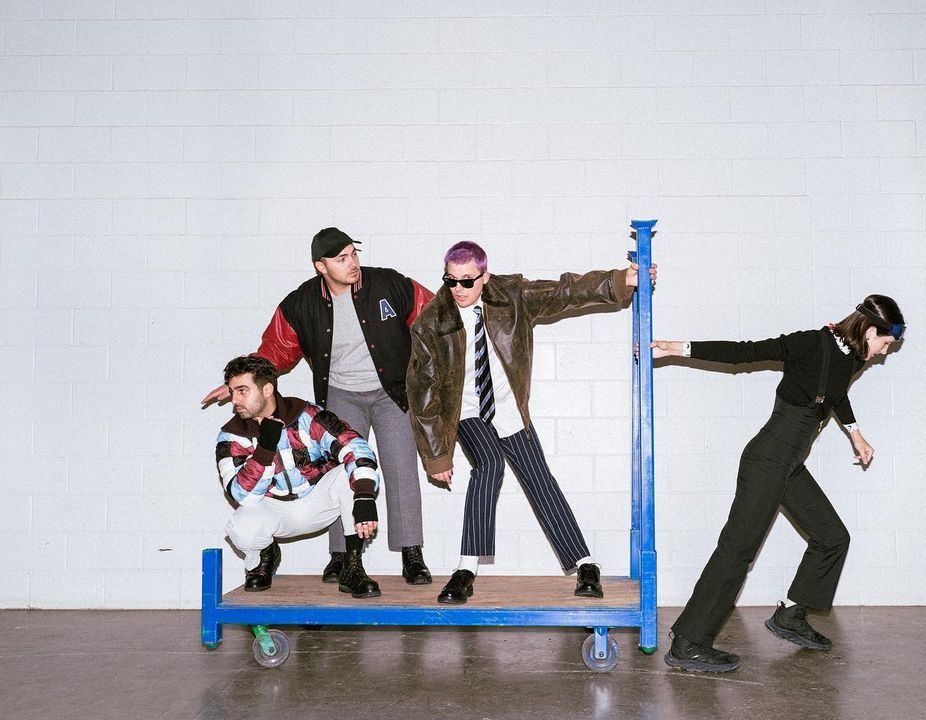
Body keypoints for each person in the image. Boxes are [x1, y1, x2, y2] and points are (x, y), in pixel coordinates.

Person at [651, 295, 906, 673]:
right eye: (884, 343)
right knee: (737, 550)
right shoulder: (811, 343)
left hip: (789, 464)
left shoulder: (853, 356)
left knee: (832, 537)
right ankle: (689, 642)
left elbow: (837, 393)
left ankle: (790, 615)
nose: (883, 352)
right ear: (870, 331)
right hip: (769, 458)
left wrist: (856, 434)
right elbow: (745, 352)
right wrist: (678, 348)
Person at [406, 240, 656, 604]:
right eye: (451, 280)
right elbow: (423, 391)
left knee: (540, 481)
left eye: (467, 281)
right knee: (489, 464)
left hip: (509, 408)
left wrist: (620, 280)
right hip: (468, 410)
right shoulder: (431, 322)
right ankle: (465, 570)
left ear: (484, 276)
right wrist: (436, 455)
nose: (458, 289)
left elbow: (564, 291)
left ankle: (585, 564)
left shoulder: (511, 296)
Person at [202, 228, 435, 588]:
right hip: (341, 393)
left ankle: (412, 554)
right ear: (321, 266)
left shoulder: (390, 285)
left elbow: (436, 318)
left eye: (353, 254)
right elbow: (276, 349)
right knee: (340, 470)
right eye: (341, 258)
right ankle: (341, 556)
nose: (352, 263)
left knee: (401, 469)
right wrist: (242, 381)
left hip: (392, 392)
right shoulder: (301, 304)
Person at [215, 355, 382, 598]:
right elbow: (241, 495)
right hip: (274, 508)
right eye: (232, 392)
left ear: (267, 389)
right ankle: (264, 557)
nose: (234, 400)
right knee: (239, 528)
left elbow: (354, 446)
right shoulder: (231, 435)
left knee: (350, 475)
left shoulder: (306, 415)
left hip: (317, 500)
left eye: (242, 391)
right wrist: (265, 449)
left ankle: (352, 567)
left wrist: (364, 495)